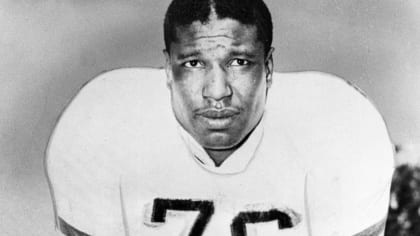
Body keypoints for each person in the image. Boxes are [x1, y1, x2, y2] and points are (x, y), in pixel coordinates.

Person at [46, 0, 394, 235]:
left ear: (268, 67)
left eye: (239, 62)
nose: (217, 91)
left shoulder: (342, 130)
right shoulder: (99, 127)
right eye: (193, 63)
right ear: (167, 69)